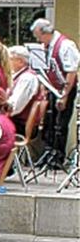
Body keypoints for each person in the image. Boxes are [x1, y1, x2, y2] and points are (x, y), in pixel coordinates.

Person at [31, 19, 78, 170]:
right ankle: (49, 153)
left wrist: (64, 95)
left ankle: (58, 157)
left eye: (39, 36)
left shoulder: (65, 45)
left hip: (64, 89)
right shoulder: (46, 46)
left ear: (46, 33)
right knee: (50, 123)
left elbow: (71, 72)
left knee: (60, 124)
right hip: (52, 88)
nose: (38, 40)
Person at [6, 45, 43, 136]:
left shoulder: (27, 78)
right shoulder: (18, 76)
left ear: (20, 61)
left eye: (10, 59)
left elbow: (15, 107)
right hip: (15, 120)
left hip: (19, 123)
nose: (6, 61)